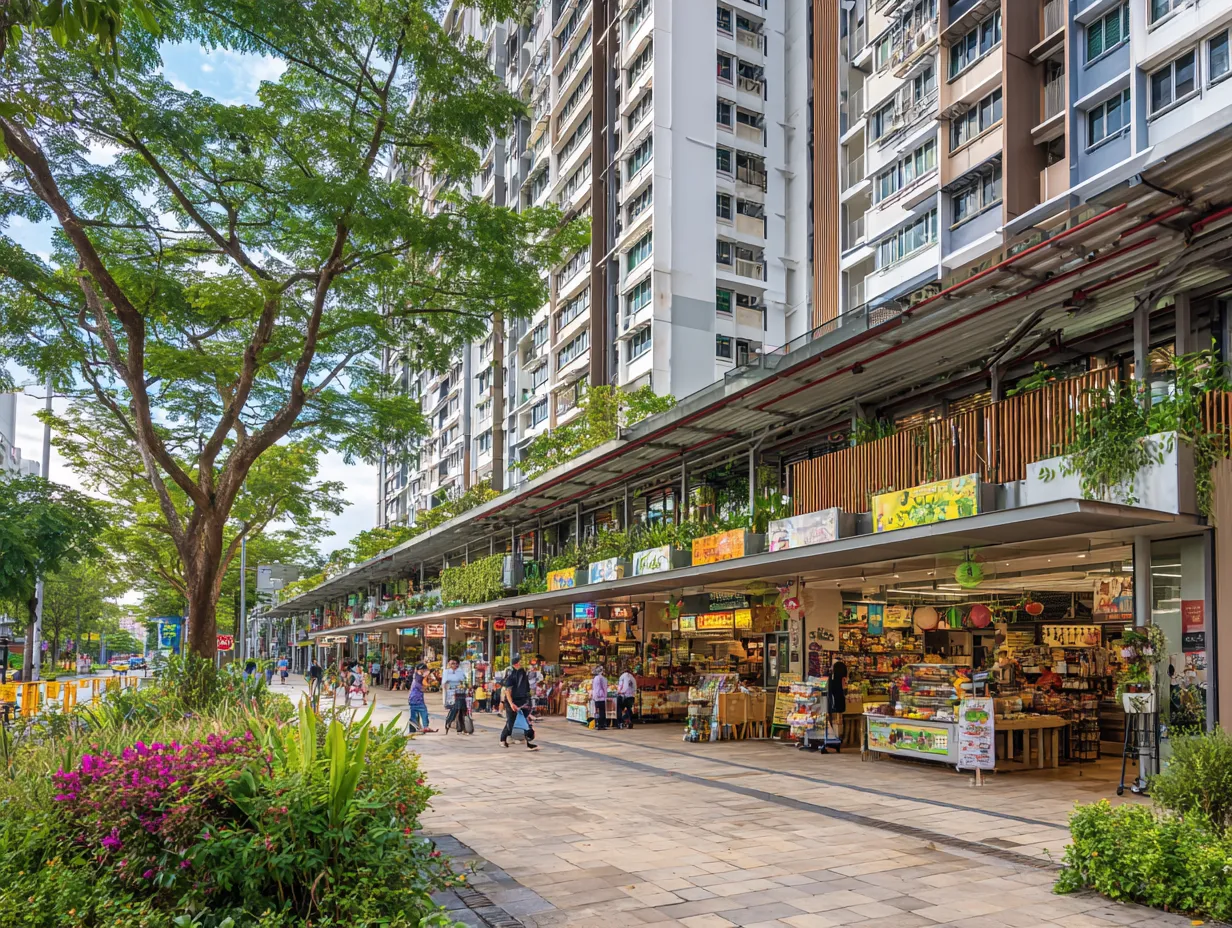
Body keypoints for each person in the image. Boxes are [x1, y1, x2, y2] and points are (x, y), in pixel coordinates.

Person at [500, 655, 538, 750]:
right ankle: (503, 739)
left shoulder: (523, 673)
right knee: (511, 722)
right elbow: (507, 691)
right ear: (517, 663)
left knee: (524, 721)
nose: (524, 663)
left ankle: (528, 741)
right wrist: (511, 703)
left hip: (523, 701)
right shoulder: (511, 674)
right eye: (521, 661)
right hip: (512, 702)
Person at [821, 657, 848, 754]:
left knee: (833, 722)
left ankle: (832, 740)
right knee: (839, 722)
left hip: (832, 704)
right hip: (840, 702)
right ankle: (838, 740)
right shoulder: (843, 679)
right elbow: (845, 689)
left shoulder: (832, 680)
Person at [441, 658, 469, 734]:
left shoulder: (460, 671)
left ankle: (461, 727)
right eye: (451, 663)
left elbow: (463, 681)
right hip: (451, 692)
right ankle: (449, 722)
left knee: (462, 709)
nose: (452, 665)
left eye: (454, 663)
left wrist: (464, 687)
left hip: (460, 691)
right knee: (455, 708)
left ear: (457, 664)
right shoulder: (446, 672)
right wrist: (447, 693)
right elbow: (444, 683)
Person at [408, 663, 435, 732]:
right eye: (425, 670)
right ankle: (425, 727)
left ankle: (413, 730)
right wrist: (429, 685)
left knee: (414, 714)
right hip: (416, 698)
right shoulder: (418, 677)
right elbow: (422, 688)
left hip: (413, 698)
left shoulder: (417, 676)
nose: (426, 671)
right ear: (421, 670)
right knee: (423, 711)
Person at [590, 664, 609, 730]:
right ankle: (601, 724)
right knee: (602, 711)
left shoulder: (595, 678)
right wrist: (604, 695)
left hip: (596, 697)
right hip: (601, 697)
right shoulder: (602, 678)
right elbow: (604, 687)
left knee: (597, 711)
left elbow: (594, 688)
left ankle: (597, 724)